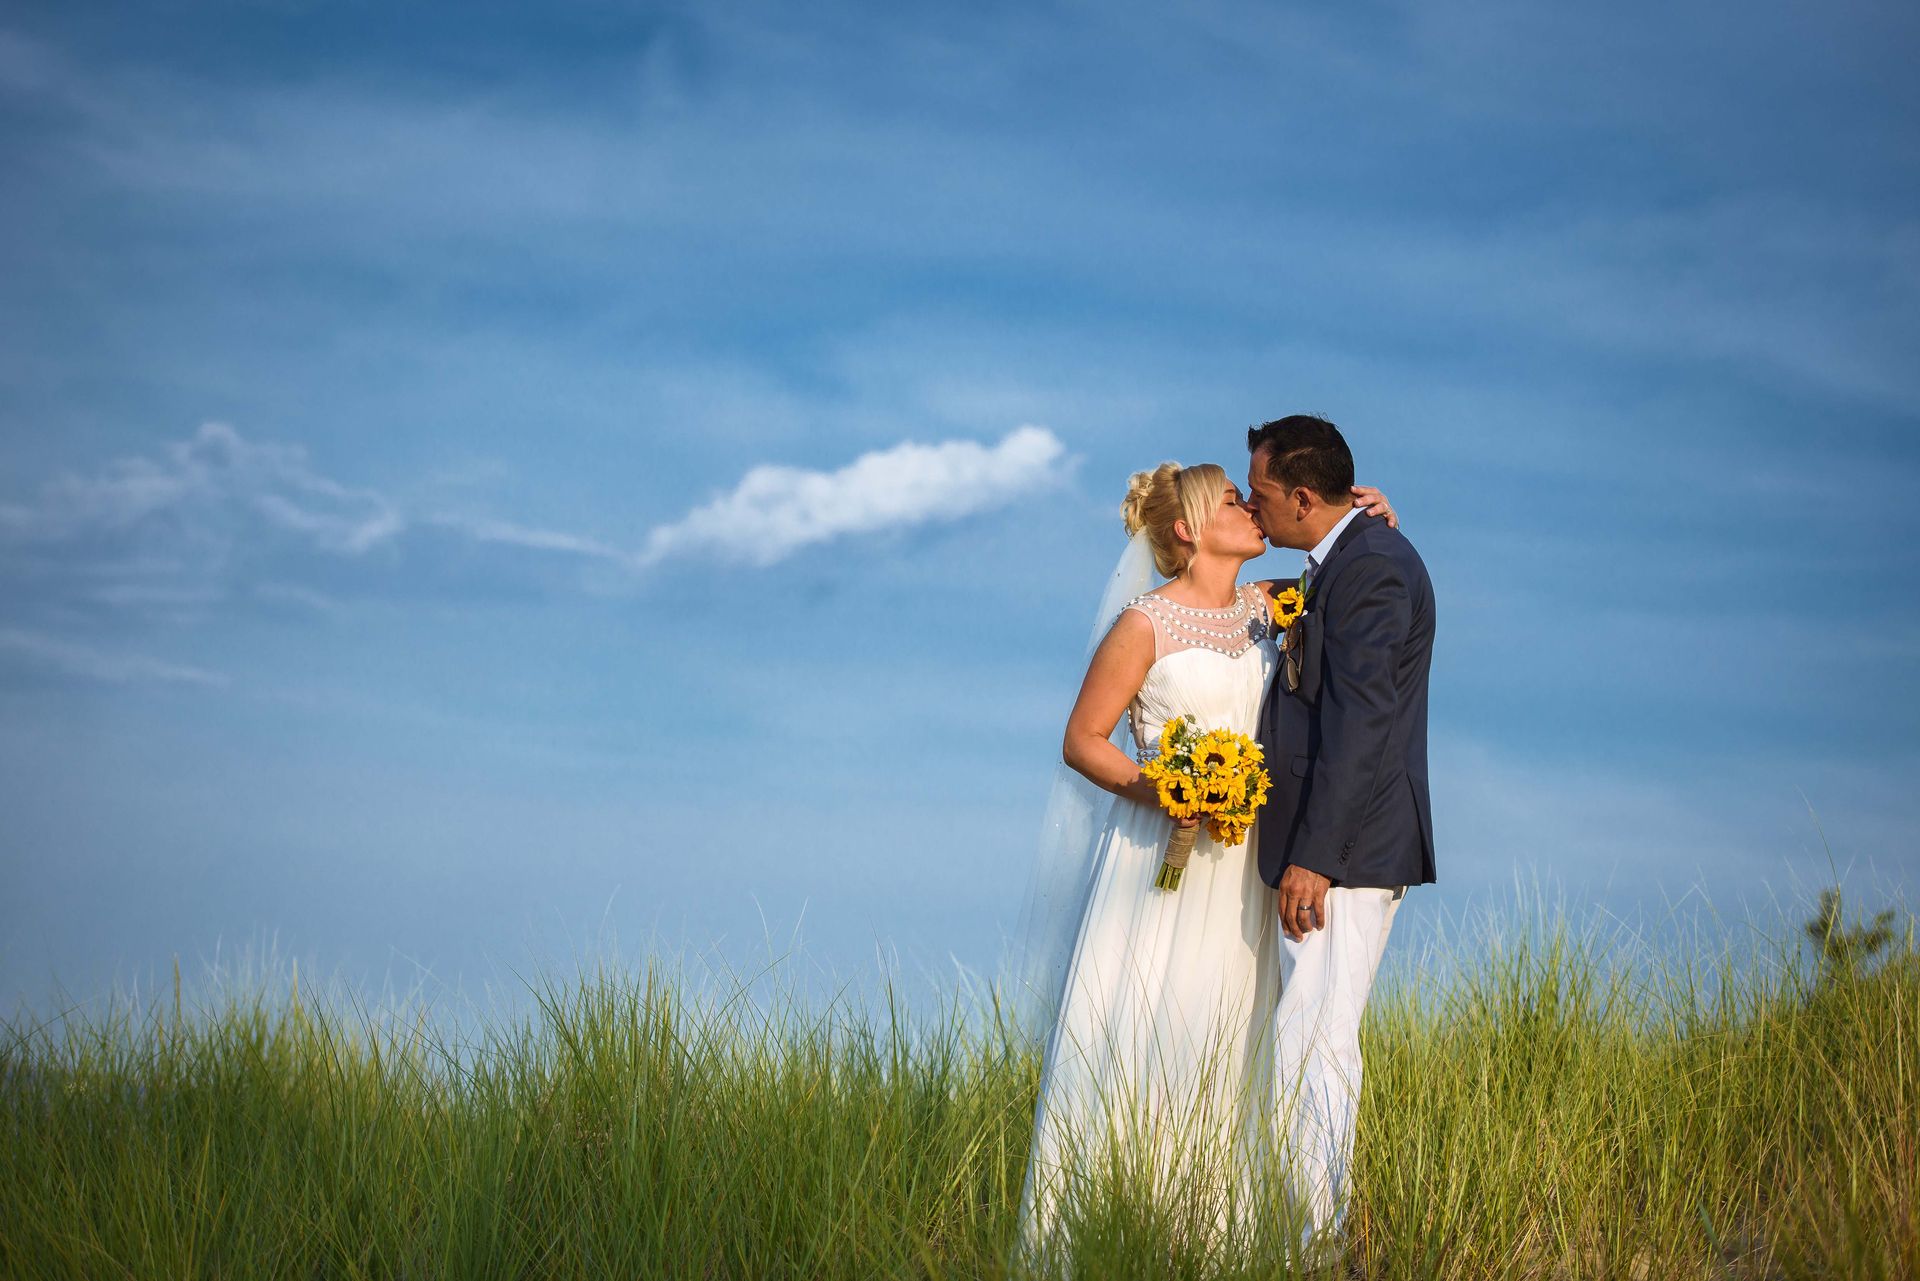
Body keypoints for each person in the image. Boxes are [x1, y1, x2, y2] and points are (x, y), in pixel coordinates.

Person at [1012, 459, 1396, 1259]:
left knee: (1239, 1031)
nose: (1253, 508)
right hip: (1162, 859)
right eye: (1232, 500)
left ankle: (1221, 1239)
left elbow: (1343, 567)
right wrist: (1164, 788)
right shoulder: (1143, 624)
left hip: (1249, 865)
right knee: (1150, 1026)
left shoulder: (1270, 607)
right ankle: (1117, 1226)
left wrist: (1374, 525)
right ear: (1187, 529)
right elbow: (1082, 740)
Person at [1245, 414, 1437, 1258]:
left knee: (1315, 1044)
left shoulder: (1372, 570)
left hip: (1348, 854)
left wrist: (1317, 855)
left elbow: (1365, 721)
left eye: (1260, 494)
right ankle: (1306, 1237)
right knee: (1307, 1039)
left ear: (1301, 495)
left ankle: (1316, 1247)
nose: (1254, 510)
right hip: (1333, 849)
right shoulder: (1348, 560)